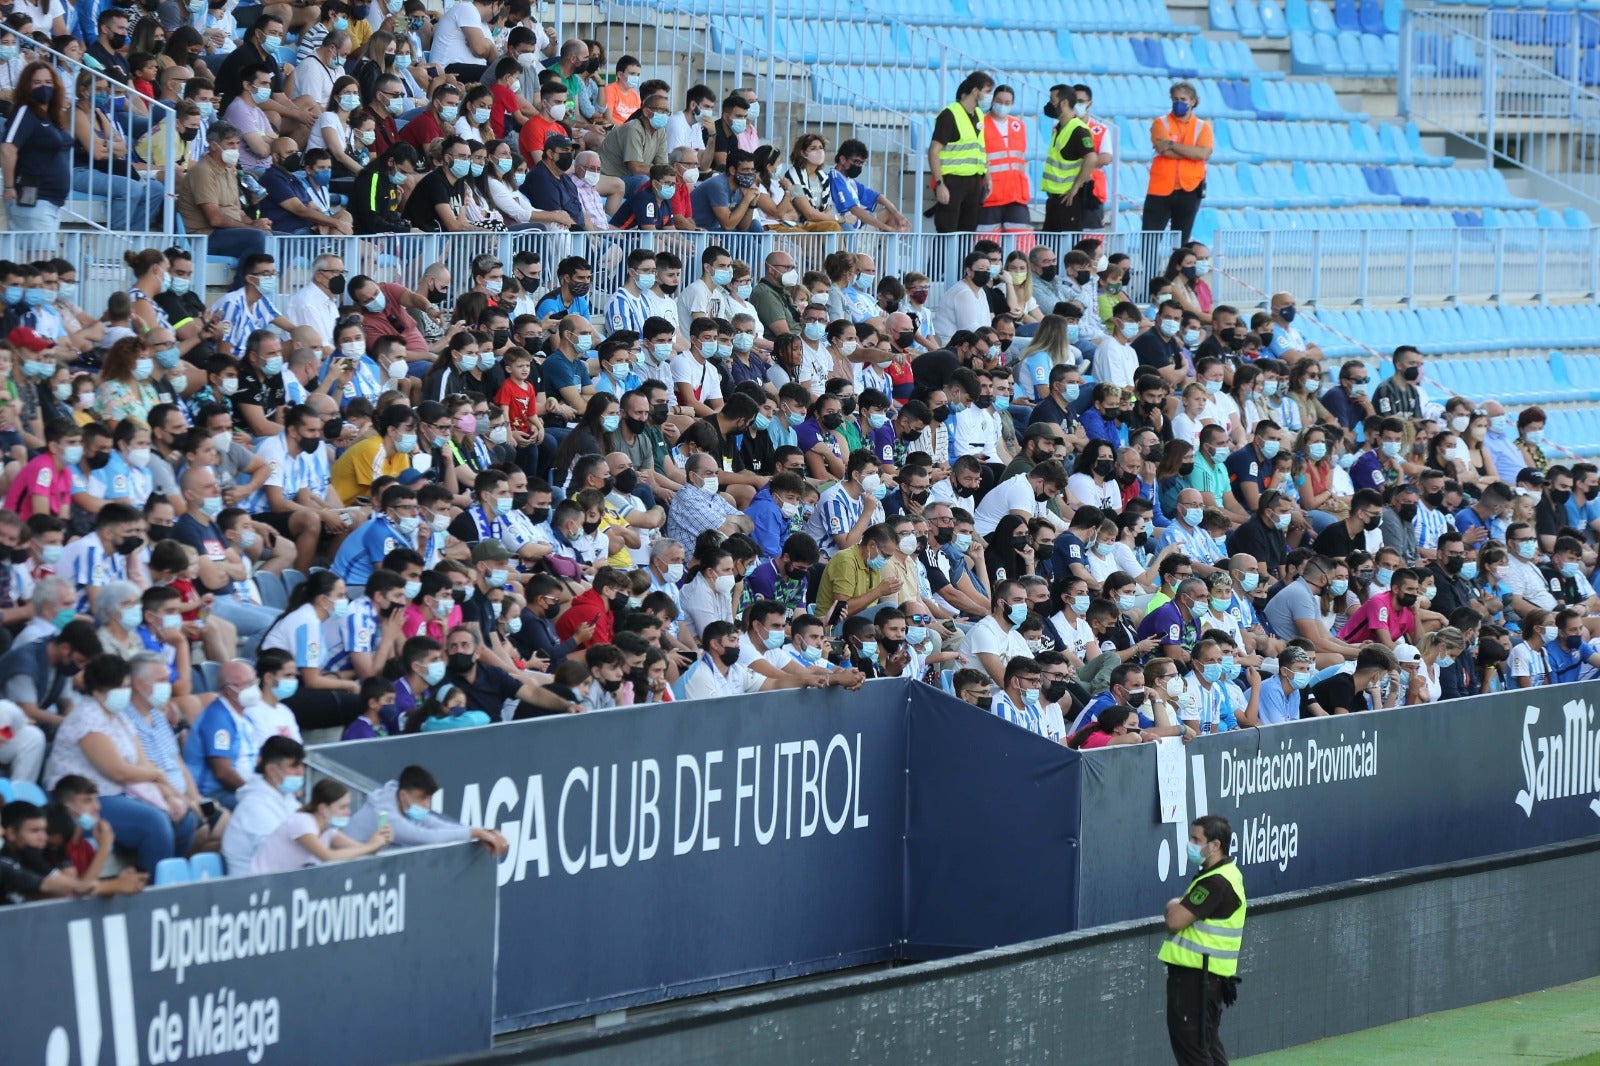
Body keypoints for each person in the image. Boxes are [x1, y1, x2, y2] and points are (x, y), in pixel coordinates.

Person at [1161, 814, 1246, 1066]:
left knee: (1195, 1053)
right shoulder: (1228, 874)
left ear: (1215, 845)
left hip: (1195, 981)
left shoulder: (1215, 882)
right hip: (1207, 981)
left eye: (1196, 839)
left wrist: (1172, 904)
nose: (1191, 843)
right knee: (1207, 1047)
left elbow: (1174, 920)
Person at [249, 777, 392, 874]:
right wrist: (371, 846)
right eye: (342, 807)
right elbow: (328, 856)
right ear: (323, 808)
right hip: (260, 886)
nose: (348, 812)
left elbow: (362, 851)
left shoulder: (329, 831)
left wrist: (380, 841)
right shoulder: (302, 822)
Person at [2, 62, 74, 230]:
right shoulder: (25, 113)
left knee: (40, 256)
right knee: (41, 256)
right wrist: (9, 186)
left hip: (51, 202)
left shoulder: (51, 117)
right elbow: (7, 149)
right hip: (35, 199)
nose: (44, 87)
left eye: (48, 82)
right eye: (37, 82)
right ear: (27, 86)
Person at [1142, 81, 1212, 243]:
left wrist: (1173, 145)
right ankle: (1150, 269)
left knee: (1182, 239)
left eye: (1183, 99)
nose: (1178, 103)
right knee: (1149, 239)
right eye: (1175, 99)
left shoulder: (1202, 127)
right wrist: (1192, 153)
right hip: (1160, 189)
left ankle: (1176, 268)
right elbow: (1163, 150)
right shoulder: (1161, 122)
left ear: (1193, 102)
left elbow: (1204, 153)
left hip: (1190, 188)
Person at [927, 71, 991, 234]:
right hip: (952, 182)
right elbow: (934, 151)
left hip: (974, 181)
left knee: (968, 232)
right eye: (988, 92)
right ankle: (940, 261)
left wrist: (987, 176)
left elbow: (980, 150)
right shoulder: (949, 115)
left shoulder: (979, 115)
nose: (989, 96)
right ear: (976, 91)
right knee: (947, 230)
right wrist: (940, 184)